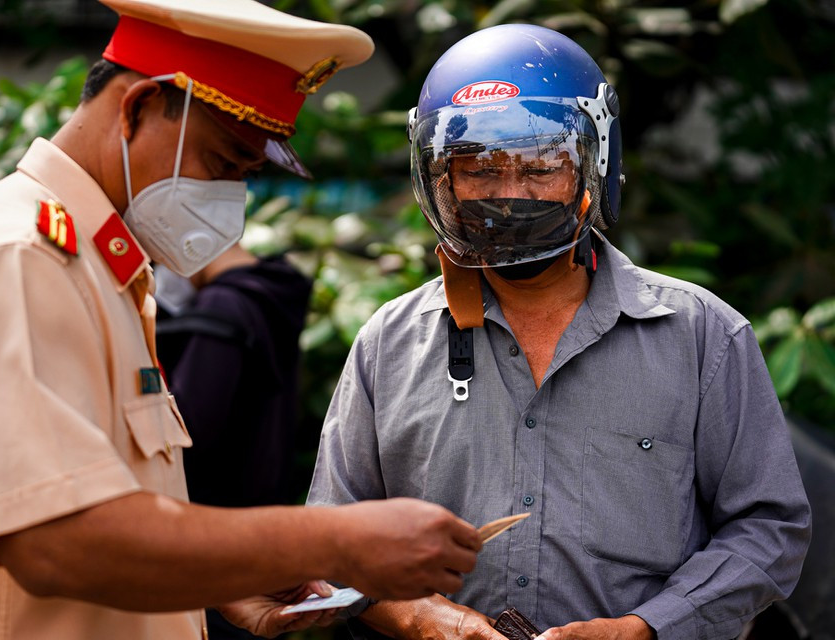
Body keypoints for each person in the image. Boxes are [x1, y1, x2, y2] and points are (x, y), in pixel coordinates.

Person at [0, 1, 484, 638]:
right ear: (138, 108)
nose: (230, 198)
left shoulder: (96, 267)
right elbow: (54, 543)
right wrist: (331, 539)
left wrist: (219, 581)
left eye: (246, 175)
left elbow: (113, 521)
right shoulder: (15, 259)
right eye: (223, 163)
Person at [307, 23, 811, 640]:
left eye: (542, 166)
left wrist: (646, 629)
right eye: (479, 169)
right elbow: (332, 539)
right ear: (440, 181)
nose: (510, 195)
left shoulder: (704, 336)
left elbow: (768, 530)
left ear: (593, 167)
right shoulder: (390, 344)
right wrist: (420, 616)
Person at [155, 244, 311, 508]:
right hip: (263, 495)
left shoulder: (223, 303)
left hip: (220, 511)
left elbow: (187, 427)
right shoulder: (269, 290)